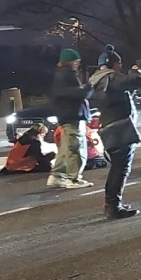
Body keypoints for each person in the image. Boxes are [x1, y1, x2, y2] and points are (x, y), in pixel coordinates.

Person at [90, 47, 141, 217]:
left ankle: (112, 203)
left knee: (117, 166)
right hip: (119, 128)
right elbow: (135, 81)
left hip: (108, 125)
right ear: (112, 64)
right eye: (119, 63)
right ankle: (113, 206)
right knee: (120, 168)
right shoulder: (111, 77)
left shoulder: (96, 80)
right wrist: (135, 71)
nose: (120, 66)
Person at [47, 48, 94, 190]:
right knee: (76, 149)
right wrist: (88, 88)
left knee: (66, 148)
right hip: (72, 116)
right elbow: (74, 94)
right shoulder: (65, 75)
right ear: (69, 62)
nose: (78, 64)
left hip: (69, 115)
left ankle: (57, 176)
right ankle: (73, 178)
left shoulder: (63, 75)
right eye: (76, 61)